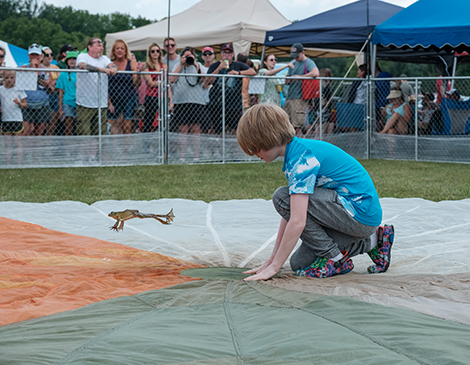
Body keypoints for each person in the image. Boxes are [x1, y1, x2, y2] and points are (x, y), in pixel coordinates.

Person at [236, 103, 394, 281]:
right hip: (353, 217)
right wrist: (273, 260)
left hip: (359, 214)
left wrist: (275, 267)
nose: (254, 154)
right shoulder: (295, 154)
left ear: (267, 138)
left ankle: (337, 260)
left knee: (281, 197)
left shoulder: (302, 159)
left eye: (254, 147)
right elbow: (290, 213)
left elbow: (296, 220)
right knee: (299, 263)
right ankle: (374, 240)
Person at [203, 43, 256, 134]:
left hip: (234, 102)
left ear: (232, 54)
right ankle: (220, 146)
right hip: (217, 101)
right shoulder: (214, 66)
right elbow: (207, 81)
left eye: (229, 53)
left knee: (236, 128)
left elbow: (253, 71)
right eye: (225, 52)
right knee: (217, 129)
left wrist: (238, 73)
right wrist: (219, 68)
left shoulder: (238, 64)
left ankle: (232, 145)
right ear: (221, 54)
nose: (227, 55)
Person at [76, 37, 117, 136]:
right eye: (98, 45)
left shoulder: (104, 58)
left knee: (100, 134)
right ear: (89, 47)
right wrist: (103, 70)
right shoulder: (83, 56)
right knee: (84, 134)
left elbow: (113, 66)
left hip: (101, 103)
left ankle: (97, 152)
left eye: (102, 46)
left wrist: (113, 69)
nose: (101, 48)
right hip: (85, 103)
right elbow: (82, 65)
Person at [170, 46, 205, 161]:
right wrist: (181, 64)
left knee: (196, 130)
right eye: (186, 56)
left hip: (196, 102)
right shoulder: (177, 66)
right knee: (183, 130)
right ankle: (182, 157)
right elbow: (171, 79)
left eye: (190, 56)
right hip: (181, 101)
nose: (188, 58)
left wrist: (195, 64)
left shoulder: (198, 66)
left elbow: (205, 80)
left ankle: (196, 157)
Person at [283, 43, 319, 137]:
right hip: (290, 96)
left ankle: (301, 148)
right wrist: (288, 79)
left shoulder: (308, 62)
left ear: (303, 53)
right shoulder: (293, 62)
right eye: (293, 56)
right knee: (286, 124)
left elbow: (315, 72)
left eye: (297, 56)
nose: (295, 58)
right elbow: (288, 79)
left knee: (297, 126)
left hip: (300, 97)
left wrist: (300, 77)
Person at [108, 39, 140, 134]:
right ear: (114, 50)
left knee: (127, 127)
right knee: (112, 125)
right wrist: (109, 102)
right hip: (113, 98)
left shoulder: (131, 63)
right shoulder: (110, 63)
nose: (120, 50)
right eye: (117, 48)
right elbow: (105, 85)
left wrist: (138, 74)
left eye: (122, 48)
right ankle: (114, 148)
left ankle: (127, 148)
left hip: (129, 98)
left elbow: (137, 84)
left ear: (126, 51)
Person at [21, 44, 53, 136]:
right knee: (25, 132)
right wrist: (31, 69)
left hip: (42, 104)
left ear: (41, 56)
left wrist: (47, 85)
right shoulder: (22, 69)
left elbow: (51, 90)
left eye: (37, 55)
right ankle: (25, 150)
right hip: (27, 105)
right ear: (28, 55)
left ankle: (36, 150)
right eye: (32, 54)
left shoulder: (46, 71)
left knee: (39, 134)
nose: (35, 57)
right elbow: (19, 85)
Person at [142, 43, 171, 133]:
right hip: (151, 96)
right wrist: (163, 82)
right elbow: (150, 82)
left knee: (165, 120)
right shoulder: (146, 66)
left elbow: (168, 84)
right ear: (149, 53)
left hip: (163, 96)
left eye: (157, 51)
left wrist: (171, 99)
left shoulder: (164, 66)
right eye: (153, 51)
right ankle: (146, 144)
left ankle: (163, 143)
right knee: (148, 121)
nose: (155, 53)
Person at [0, 70, 27, 164]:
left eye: (11, 77)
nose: (9, 80)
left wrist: (19, 103)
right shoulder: (1, 89)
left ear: (15, 78)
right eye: (6, 78)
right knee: (7, 143)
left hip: (17, 119)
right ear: (3, 78)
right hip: (5, 119)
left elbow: (25, 104)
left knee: (17, 142)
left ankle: (18, 163)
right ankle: (8, 163)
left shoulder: (19, 89)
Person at [57, 51, 79, 136]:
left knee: (79, 128)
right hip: (67, 102)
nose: (72, 61)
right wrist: (60, 108)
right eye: (70, 59)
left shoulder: (81, 73)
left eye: (74, 59)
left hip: (80, 102)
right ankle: (68, 147)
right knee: (68, 128)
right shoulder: (63, 74)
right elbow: (60, 92)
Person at [41, 46, 61, 135]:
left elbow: (60, 82)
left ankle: (50, 142)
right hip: (42, 94)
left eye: (51, 54)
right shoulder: (39, 67)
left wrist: (53, 83)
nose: (49, 56)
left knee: (52, 123)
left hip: (54, 96)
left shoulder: (55, 67)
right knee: (41, 123)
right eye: (47, 54)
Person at [312, 68, 335, 137]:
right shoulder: (322, 85)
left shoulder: (325, 85)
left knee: (321, 128)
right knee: (320, 128)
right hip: (320, 108)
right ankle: (318, 139)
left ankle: (318, 139)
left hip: (321, 108)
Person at [200, 46, 215, 134]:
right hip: (203, 100)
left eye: (209, 54)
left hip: (214, 100)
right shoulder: (200, 68)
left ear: (213, 55)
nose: (207, 56)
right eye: (205, 54)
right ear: (202, 56)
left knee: (214, 126)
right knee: (204, 126)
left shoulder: (216, 68)